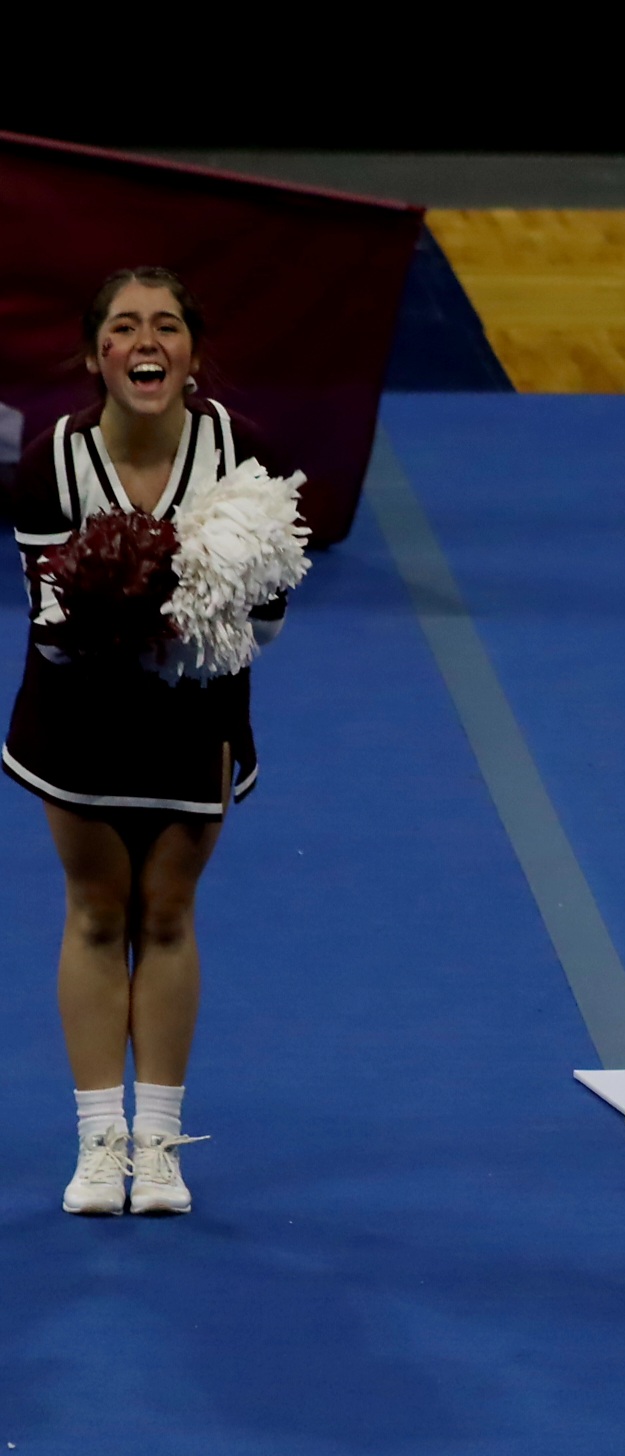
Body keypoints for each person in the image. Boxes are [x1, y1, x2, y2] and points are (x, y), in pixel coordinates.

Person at [3, 267, 290, 1216]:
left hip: (193, 715)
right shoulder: (52, 462)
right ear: (96, 356)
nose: (145, 342)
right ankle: (99, 1144)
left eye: (166, 325)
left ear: (192, 354)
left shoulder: (240, 454)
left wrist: (186, 613)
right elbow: (51, 631)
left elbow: (267, 620)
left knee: (165, 913)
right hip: (78, 714)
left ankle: (158, 1144)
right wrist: (115, 601)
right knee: (96, 912)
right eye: (124, 327)